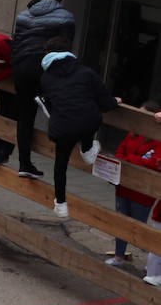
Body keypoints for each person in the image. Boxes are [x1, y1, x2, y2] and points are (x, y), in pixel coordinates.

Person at [39, 39, 118, 218]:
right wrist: (115, 101)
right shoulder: (86, 73)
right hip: (87, 123)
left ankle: (60, 203)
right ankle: (87, 148)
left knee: (60, 165)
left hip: (63, 127)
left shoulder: (46, 78)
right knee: (87, 121)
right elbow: (106, 103)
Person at [9, 0, 76, 180]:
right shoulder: (66, 18)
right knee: (59, 110)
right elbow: (64, 48)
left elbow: (16, 40)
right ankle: (45, 98)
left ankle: (24, 163)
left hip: (21, 66)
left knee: (25, 115)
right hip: (43, 67)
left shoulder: (23, 15)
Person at [111, 101, 161, 266]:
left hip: (143, 190)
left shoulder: (158, 138)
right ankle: (119, 256)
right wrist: (129, 160)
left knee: (139, 228)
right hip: (124, 184)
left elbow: (154, 163)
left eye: (143, 115)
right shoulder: (133, 132)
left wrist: (129, 160)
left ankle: (151, 266)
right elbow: (119, 151)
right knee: (121, 221)